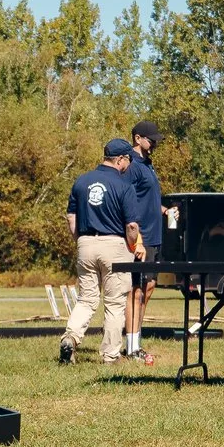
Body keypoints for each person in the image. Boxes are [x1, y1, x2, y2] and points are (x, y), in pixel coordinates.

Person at [59, 139, 145, 363]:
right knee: (115, 302)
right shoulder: (124, 186)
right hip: (114, 245)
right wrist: (133, 245)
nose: (128, 165)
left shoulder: (81, 181)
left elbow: (71, 217)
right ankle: (110, 354)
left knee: (87, 299)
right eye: (127, 160)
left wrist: (81, 240)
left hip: (86, 243)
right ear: (119, 159)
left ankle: (70, 337)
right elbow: (132, 226)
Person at [120, 121, 173, 361]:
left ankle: (136, 341)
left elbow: (146, 198)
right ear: (138, 138)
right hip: (141, 238)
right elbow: (126, 202)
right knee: (137, 290)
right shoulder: (132, 165)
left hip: (156, 236)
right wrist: (136, 237)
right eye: (151, 141)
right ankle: (131, 347)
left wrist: (164, 210)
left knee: (149, 288)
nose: (155, 145)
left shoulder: (148, 164)